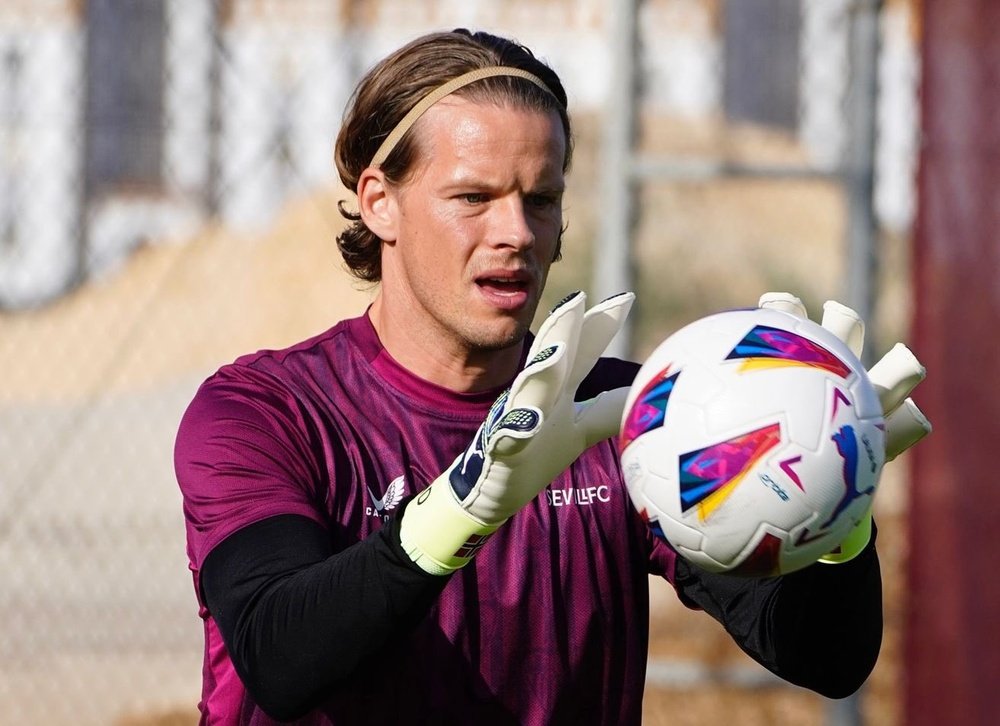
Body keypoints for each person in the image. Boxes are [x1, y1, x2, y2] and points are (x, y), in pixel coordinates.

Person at [175, 28, 929, 725]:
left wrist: (836, 506)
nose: (517, 233)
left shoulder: (629, 415)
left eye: (542, 200)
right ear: (380, 203)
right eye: (473, 198)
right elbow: (279, 657)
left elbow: (824, 659)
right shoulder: (264, 412)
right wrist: (463, 510)